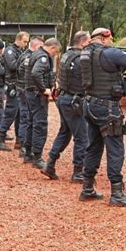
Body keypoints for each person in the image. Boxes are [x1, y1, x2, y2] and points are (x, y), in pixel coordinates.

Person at [79, 27, 126, 207]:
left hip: (89, 104)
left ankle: (87, 188)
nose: (111, 43)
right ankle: (117, 193)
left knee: (93, 147)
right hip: (107, 107)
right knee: (115, 149)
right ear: (103, 38)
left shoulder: (85, 53)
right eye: (110, 40)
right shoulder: (109, 53)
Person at [41, 31, 90, 182]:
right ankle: (77, 172)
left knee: (64, 133)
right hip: (73, 101)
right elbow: (85, 81)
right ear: (82, 42)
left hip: (64, 98)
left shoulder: (67, 55)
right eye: (88, 41)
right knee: (82, 137)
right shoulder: (81, 58)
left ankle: (50, 164)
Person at [24, 38, 61, 169]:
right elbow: (36, 73)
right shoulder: (43, 58)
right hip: (37, 95)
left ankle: (28, 153)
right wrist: (43, 89)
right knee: (40, 125)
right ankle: (37, 157)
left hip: (30, 93)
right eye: (56, 52)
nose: (55, 54)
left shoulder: (35, 53)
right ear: (53, 48)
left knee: (31, 123)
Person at [0, 32, 30, 151]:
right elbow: (12, 66)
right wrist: (26, 61)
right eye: (25, 41)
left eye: (27, 42)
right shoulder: (10, 50)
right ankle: (0, 139)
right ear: (18, 39)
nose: (26, 44)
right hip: (12, 85)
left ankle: (19, 141)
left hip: (20, 85)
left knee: (20, 114)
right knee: (10, 113)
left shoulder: (21, 51)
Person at [17, 37, 44, 159]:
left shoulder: (26, 55)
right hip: (26, 89)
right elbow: (22, 70)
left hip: (24, 88)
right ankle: (23, 145)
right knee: (26, 118)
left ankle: (24, 145)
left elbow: (20, 69)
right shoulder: (30, 56)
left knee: (26, 117)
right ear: (36, 45)